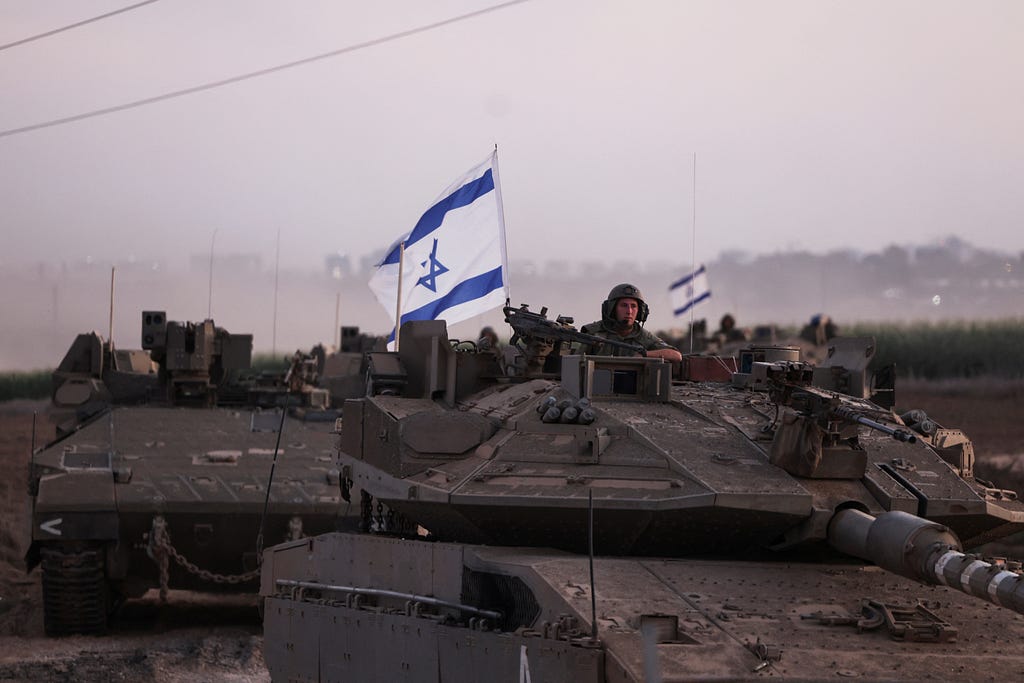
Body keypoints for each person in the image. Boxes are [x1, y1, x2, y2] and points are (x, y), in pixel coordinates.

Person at [578, 283, 683, 361]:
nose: (629, 311)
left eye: (633, 306)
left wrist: (645, 354)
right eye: (624, 306)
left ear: (640, 312)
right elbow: (573, 362)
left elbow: (676, 355)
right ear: (612, 309)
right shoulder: (594, 333)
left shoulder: (643, 337)